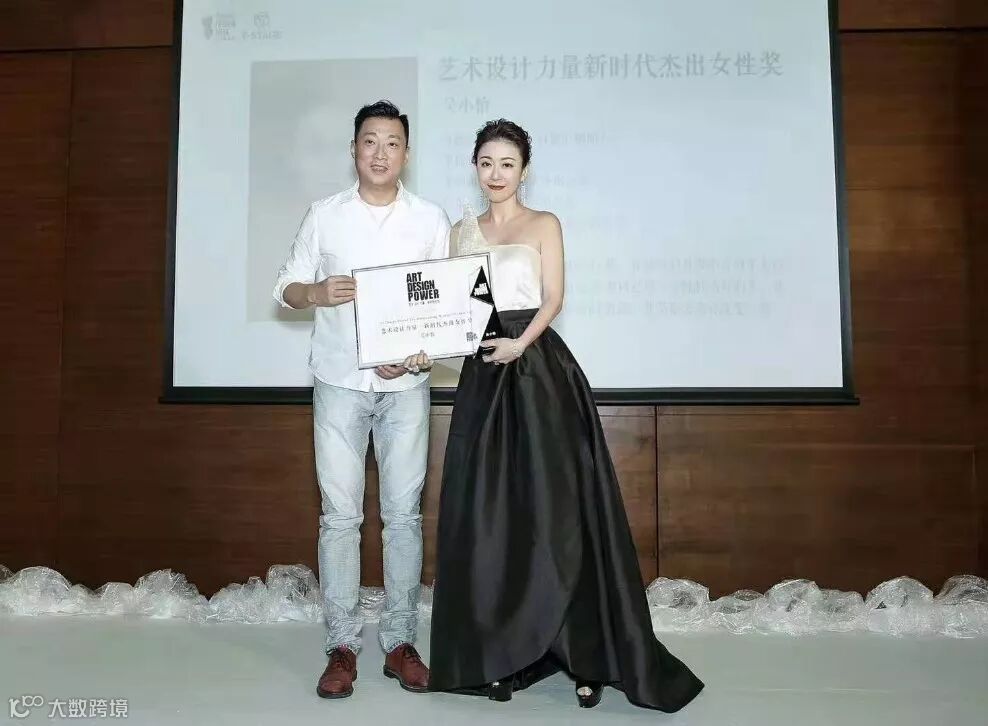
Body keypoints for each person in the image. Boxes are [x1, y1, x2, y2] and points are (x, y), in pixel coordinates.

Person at [428, 119, 704, 711]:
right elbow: (454, 312)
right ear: (474, 168)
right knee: (491, 516)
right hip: (483, 377)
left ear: (524, 170)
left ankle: (586, 656)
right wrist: (424, 350)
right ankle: (500, 655)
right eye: (486, 163)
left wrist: (518, 345)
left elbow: (553, 298)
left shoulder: (544, 223)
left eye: (507, 163)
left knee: (560, 513)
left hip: (537, 373)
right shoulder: (460, 232)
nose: (496, 174)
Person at [273, 100, 447, 699]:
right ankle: (342, 647)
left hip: (405, 389)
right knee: (340, 518)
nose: (380, 153)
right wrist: (316, 292)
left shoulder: (429, 219)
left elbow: (442, 308)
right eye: (369, 141)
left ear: (406, 154)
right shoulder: (325, 215)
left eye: (392, 143)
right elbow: (285, 288)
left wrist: (421, 352)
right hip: (339, 382)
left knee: (404, 518)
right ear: (353, 150)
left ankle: (400, 643)